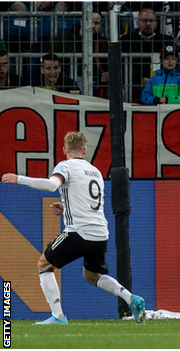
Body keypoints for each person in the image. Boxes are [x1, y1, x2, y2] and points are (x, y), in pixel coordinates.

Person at [1, 132, 146, 325]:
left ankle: (58, 317)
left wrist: (19, 178)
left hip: (79, 232)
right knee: (92, 276)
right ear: (85, 150)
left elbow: (51, 185)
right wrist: (65, 207)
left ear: (64, 150)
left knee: (44, 265)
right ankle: (132, 299)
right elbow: (91, 202)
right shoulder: (95, 171)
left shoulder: (65, 166)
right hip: (100, 234)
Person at [120, 8, 175, 101]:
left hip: (161, 81)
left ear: (156, 23)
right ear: (137, 23)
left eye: (151, 21)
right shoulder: (126, 40)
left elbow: (173, 65)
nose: (148, 24)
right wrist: (140, 78)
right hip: (135, 82)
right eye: (144, 21)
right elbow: (121, 65)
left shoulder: (167, 40)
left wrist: (157, 79)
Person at [52, 11, 109, 97]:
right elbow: (52, 60)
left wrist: (107, 74)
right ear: (82, 22)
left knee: (120, 92)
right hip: (69, 78)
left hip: (96, 79)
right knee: (82, 91)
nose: (93, 26)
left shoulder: (103, 42)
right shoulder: (63, 38)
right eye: (90, 22)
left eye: (97, 23)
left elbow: (110, 65)